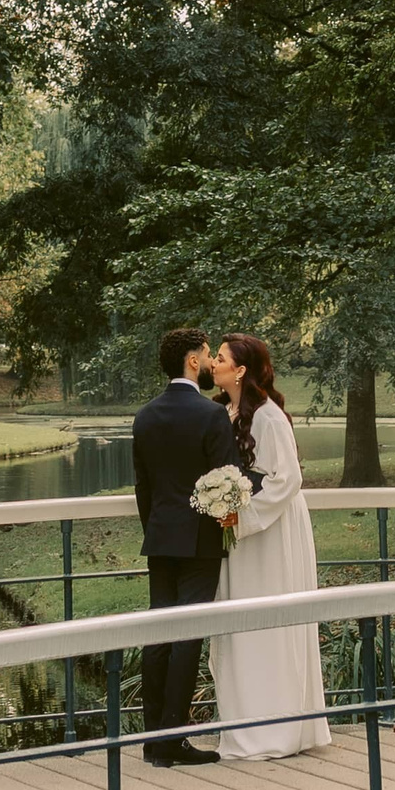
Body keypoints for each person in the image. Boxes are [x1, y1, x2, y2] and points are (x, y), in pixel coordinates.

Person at [205, 333, 331, 760]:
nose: (213, 363)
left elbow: (287, 479)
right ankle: (244, 725)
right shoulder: (227, 411)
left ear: (239, 370)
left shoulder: (269, 417)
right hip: (241, 528)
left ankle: (277, 730)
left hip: (272, 528)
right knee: (240, 619)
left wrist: (242, 516)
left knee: (271, 616)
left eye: (219, 358)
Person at [131, 324, 238, 766]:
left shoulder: (145, 415)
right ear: (192, 361)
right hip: (199, 540)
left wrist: (156, 527)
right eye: (207, 353)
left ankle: (152, 739)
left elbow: (143, 487)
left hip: (160, 537)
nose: (211, 361)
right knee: (187, 636)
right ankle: (173, 739)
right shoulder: (210, 416)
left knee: (159, 632)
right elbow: (226, 480)